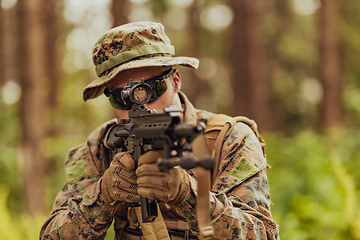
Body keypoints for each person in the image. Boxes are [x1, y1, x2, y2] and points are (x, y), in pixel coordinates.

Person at [40, 21, 279, 240]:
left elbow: (262, 234)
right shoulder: (99, 147)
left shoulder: (228, 139)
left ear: (175, 80)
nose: (138, 105)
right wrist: (102, 197)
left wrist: (191, 197)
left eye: (149, 89)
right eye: (120, 97)